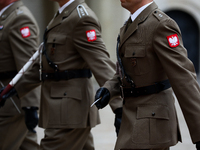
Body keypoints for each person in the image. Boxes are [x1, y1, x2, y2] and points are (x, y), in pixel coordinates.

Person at [0, 0, 123, 149]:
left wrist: (120, 107)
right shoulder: (62, 15)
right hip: (63, 109)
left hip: (70, 111)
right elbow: (46, 64)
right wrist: (16, 88)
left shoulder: (81, 17)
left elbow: (102, 64)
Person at [94, 0, 200, 150]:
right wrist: (109, 89)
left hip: (151, 123)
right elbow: (128, 73)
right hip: (133, 118)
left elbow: (184, 79)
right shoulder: (128, 25)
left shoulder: (161, 25)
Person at [0, 0, 41, 150]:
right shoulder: (6, 16)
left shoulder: (19, 18)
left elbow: (29, 66)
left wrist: (30, 106)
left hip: (12, 103)